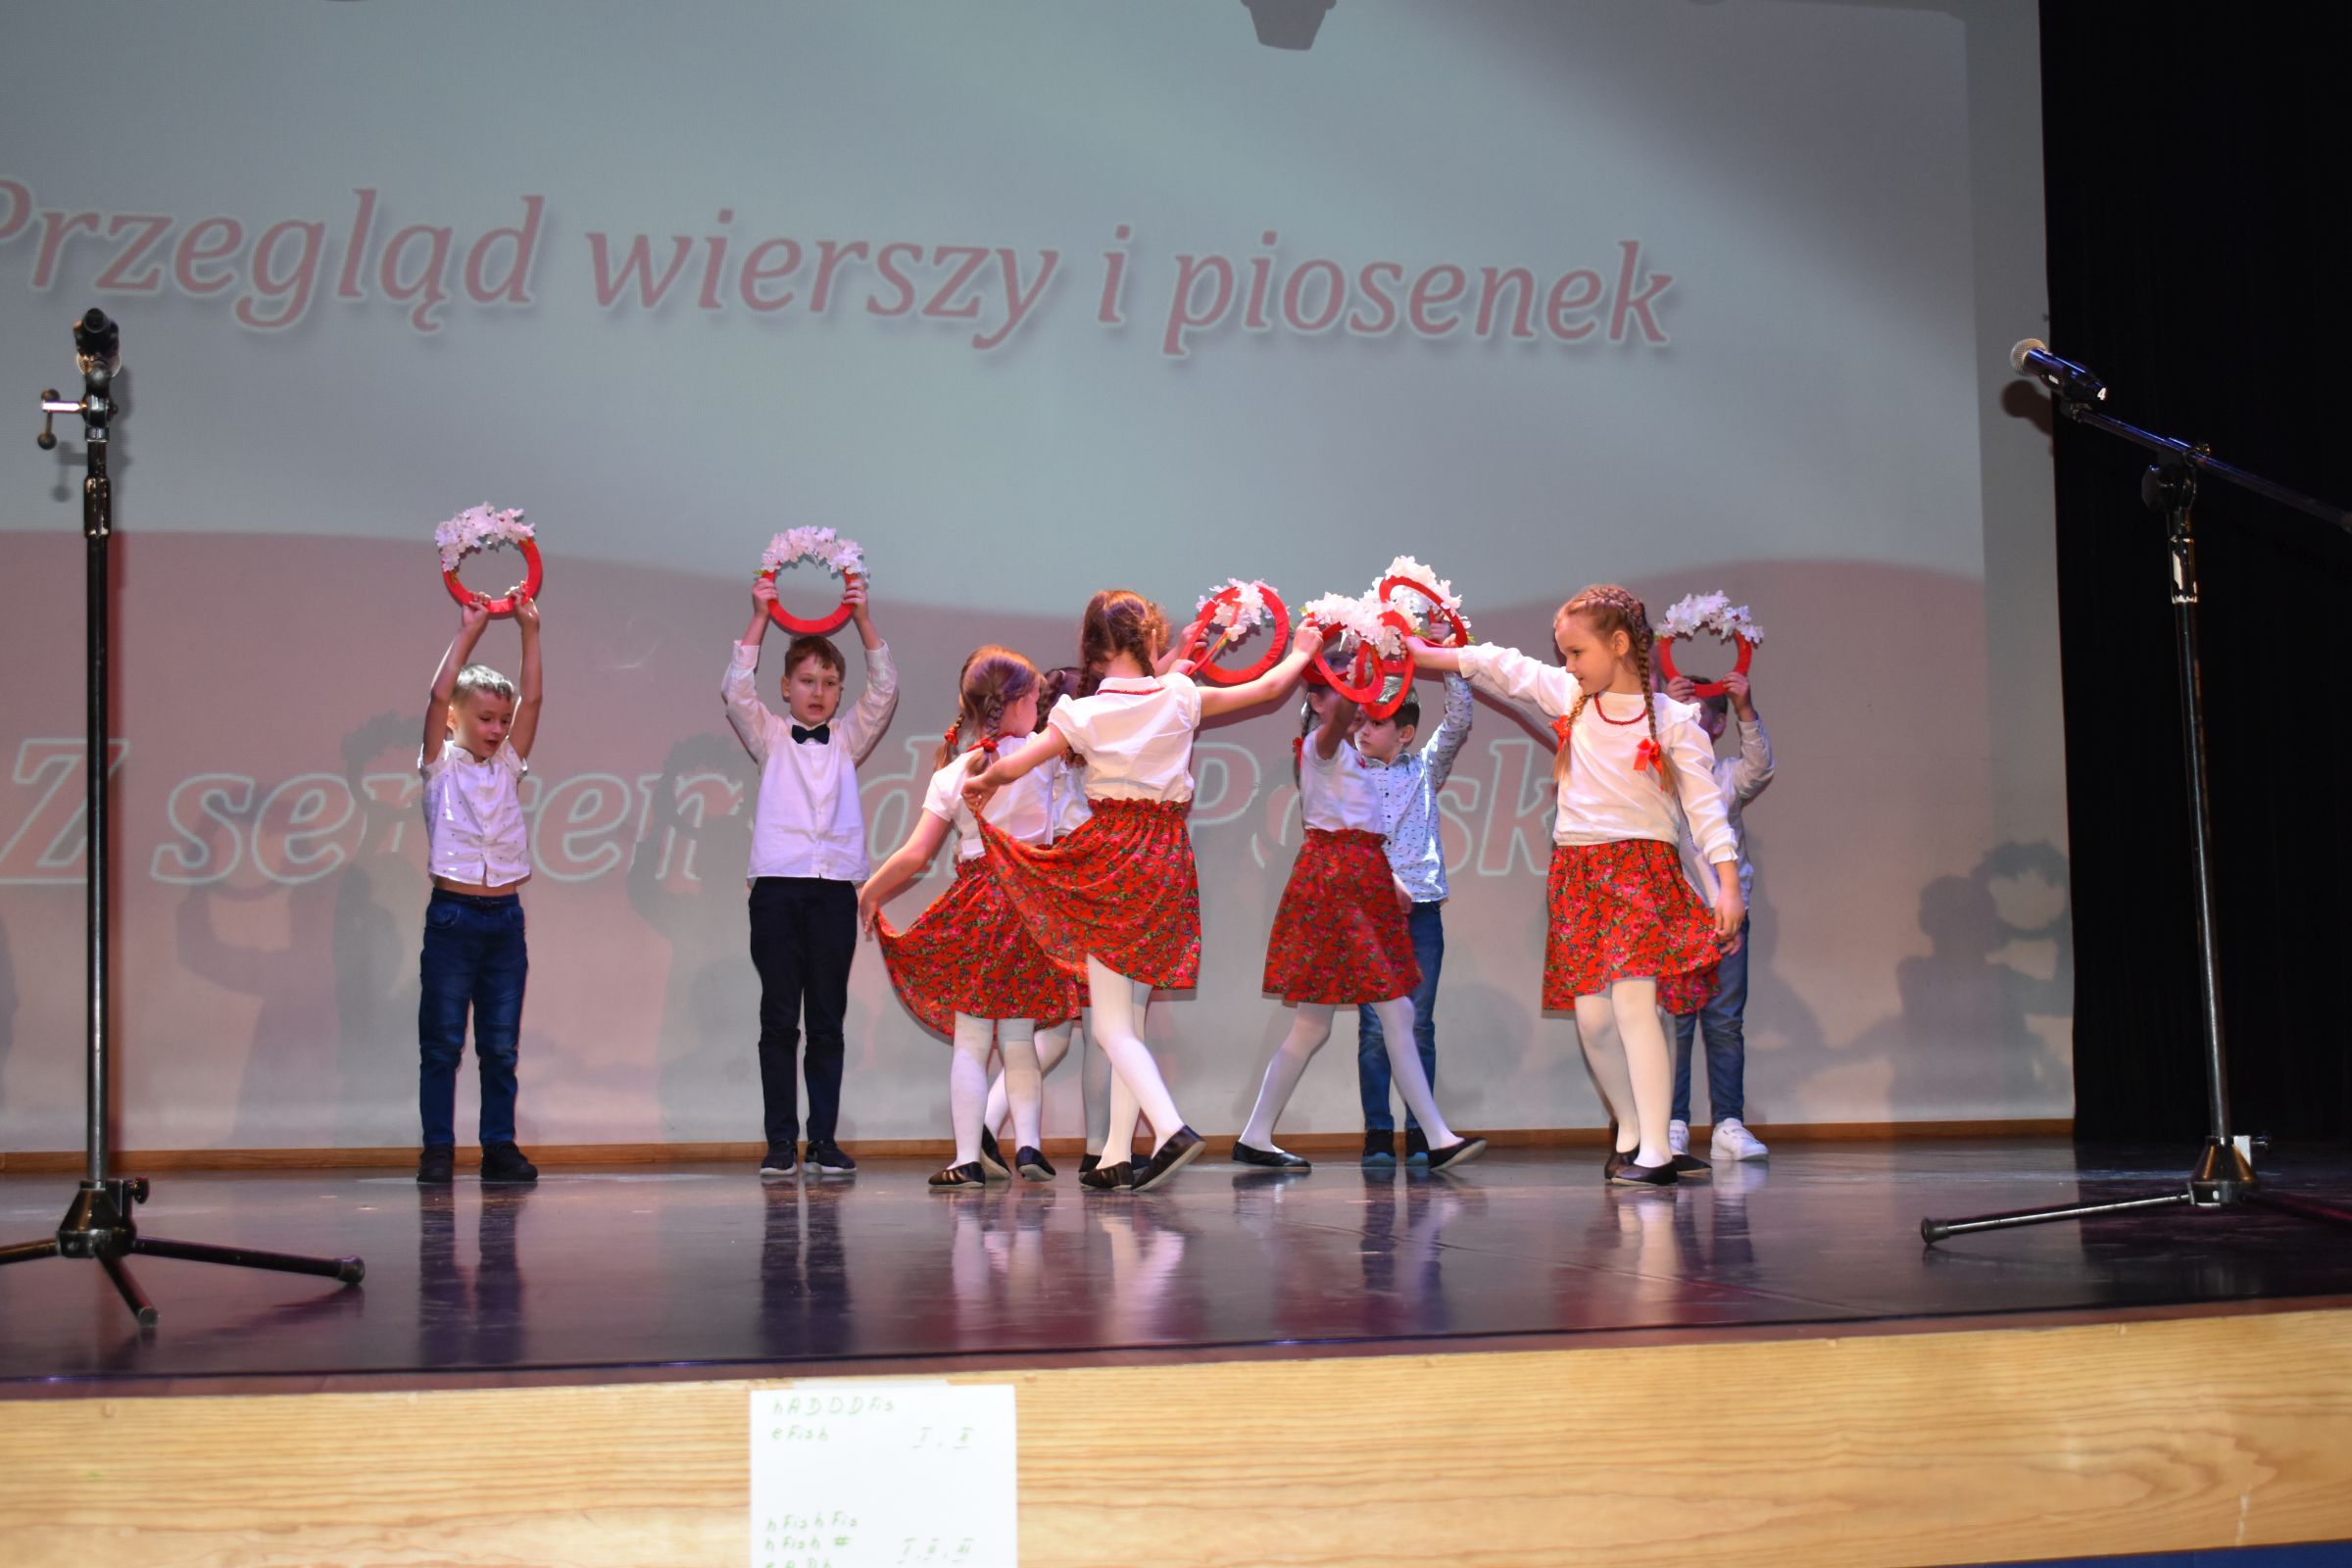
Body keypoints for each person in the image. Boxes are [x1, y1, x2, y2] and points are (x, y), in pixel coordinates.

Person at [964, 589, 1319, 1192]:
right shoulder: (1178, 696)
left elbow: (1019, 763)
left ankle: (1171, 1128)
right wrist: (1303, 651)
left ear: (1091, 649)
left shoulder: (1082, 713)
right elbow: (1265, 689)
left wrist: (984, 780)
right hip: (1167, 858)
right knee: (1128, 1015)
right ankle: (1114, 1156)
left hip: (1114, 859)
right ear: (1149, 639)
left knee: (1110, 1026)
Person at [1409, 584, 1740, 1187]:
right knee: (1593, 1019)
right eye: (1564, 655)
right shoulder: (1571, 698)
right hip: (1578, 875)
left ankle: (1658, 1153)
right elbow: (1498, 665)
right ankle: (1632, 1130)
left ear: (1619, 645)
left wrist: (1727, 884)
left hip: (1640, 869)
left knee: (1636, 1004)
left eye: (1577, 652)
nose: (1569, 665)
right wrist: (1420, 652)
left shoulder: (1674, 720)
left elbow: (1705, 809)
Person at [1233, 672, 1487, 1173]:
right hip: (1337, 888)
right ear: (1319, 702)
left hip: (1356, 884)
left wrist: (1389, 883)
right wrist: (1354, 675)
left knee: (1318, 1025)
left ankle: (1256, 1135)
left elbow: (1359, 832)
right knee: (1393, 1012)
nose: (1357, 712)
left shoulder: (1350, 757)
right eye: (1344, 694)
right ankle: (1436, 1136)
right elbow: (1340, 726)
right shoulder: (1320, 746)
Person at [861, 648, 1077, 1188]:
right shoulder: (1042, 757)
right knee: (1020, 1037)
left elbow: (916, 854)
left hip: (979, 909)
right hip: (1031, 908)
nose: (1039, 708)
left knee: (973, 1041)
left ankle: (966, 1157)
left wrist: (871, 891)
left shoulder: (954, 773)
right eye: (1034, 699)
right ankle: (1028, 1146)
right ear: (1016, 702)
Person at [721, 573, 897, 1179]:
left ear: (840, 691)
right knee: (778, 1020)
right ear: (786, 687)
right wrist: (761, 616)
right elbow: (735, 688)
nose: (817, 692)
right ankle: (780, 1141)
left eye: (828, 683)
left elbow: (885, 689)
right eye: (806, 681)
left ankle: (822, 1140)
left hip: (833, 894)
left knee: (826, 1020)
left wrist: (863, 618)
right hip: (776, 890)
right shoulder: (771, 735)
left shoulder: (847, 739)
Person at [416, 592, 543, 1186]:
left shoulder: (509, 765)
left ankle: (499, 1147)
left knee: (500, 1046)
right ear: (454, 719)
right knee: (443, 1043)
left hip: (504, 920)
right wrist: (468, 632)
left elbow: (533, 698)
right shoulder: (440, 765)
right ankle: (438, 1150)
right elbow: (437, 693)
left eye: (502, 720)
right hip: (454, 918)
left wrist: (529, 632)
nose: (496, 729)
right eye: (485, 718)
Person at [1351, 673, 1473, 1164]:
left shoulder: (1424, 767)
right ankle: (1378, 1132)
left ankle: (1424, 1131)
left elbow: (1458, 720)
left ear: (1404, 733)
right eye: (1360, 720)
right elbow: (1316, 729)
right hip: (1369, 913)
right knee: (1374, 1029)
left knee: (1419, 1024)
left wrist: (1449, 659)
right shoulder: (1347, 770)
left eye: (1376, 723)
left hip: (1420, 911)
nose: (1363, 730)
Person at [1663, 669, 1775, 1161]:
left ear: (1717, 725)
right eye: (1680, 713)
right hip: (1673, 917)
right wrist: (1660, 707)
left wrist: (1745, 706)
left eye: (1698, 714)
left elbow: (1761, 766)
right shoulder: (1659, 775)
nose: (1689, 720)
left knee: (1725, 1021)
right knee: (1676, 1022)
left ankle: (1729, 1123)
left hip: (1725, 918)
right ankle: (1672, 1122)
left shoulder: (1726, 776)